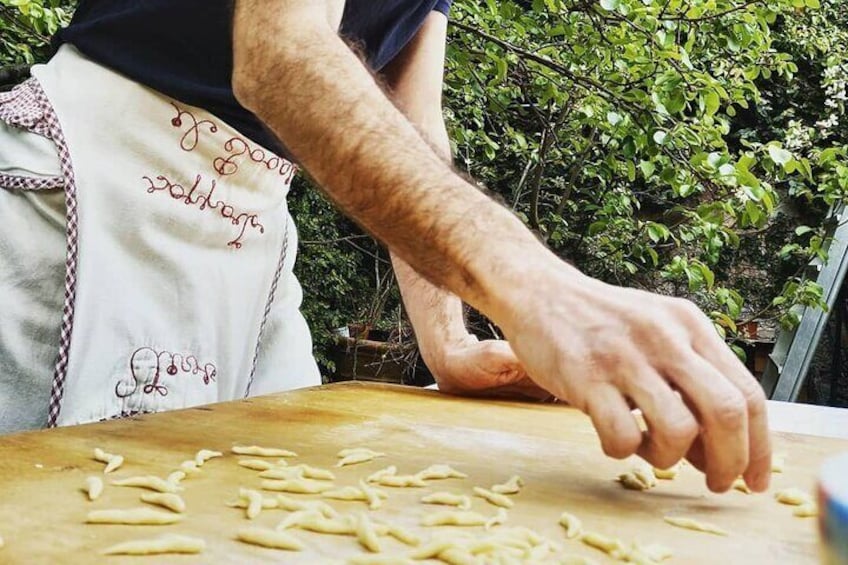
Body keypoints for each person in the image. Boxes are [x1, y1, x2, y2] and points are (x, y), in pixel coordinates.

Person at [0, 0, 770, 494]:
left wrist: (449, 340)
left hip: (249, 236)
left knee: (284, 509)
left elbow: (414, 129)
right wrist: (539, 290)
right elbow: (279, 52)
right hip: (72, 191)